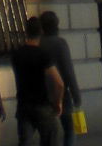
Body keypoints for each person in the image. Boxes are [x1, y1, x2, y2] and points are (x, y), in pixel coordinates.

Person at [11, 16, 63, 146]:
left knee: (25, 141)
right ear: (41, 32)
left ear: (26, 32)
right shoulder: (43, 54)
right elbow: (59, 83)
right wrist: (58, 103)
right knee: (51, 137)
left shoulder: (16, 54)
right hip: (42, 104)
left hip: (23, 105)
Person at [38, 11, 81, 144]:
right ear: (57, 25)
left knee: (46, 133)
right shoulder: (60, 43)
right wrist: (76, 95)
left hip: (42, 94)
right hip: (61, 94)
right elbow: (68, 71)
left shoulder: (38, 44)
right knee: (71, 128)